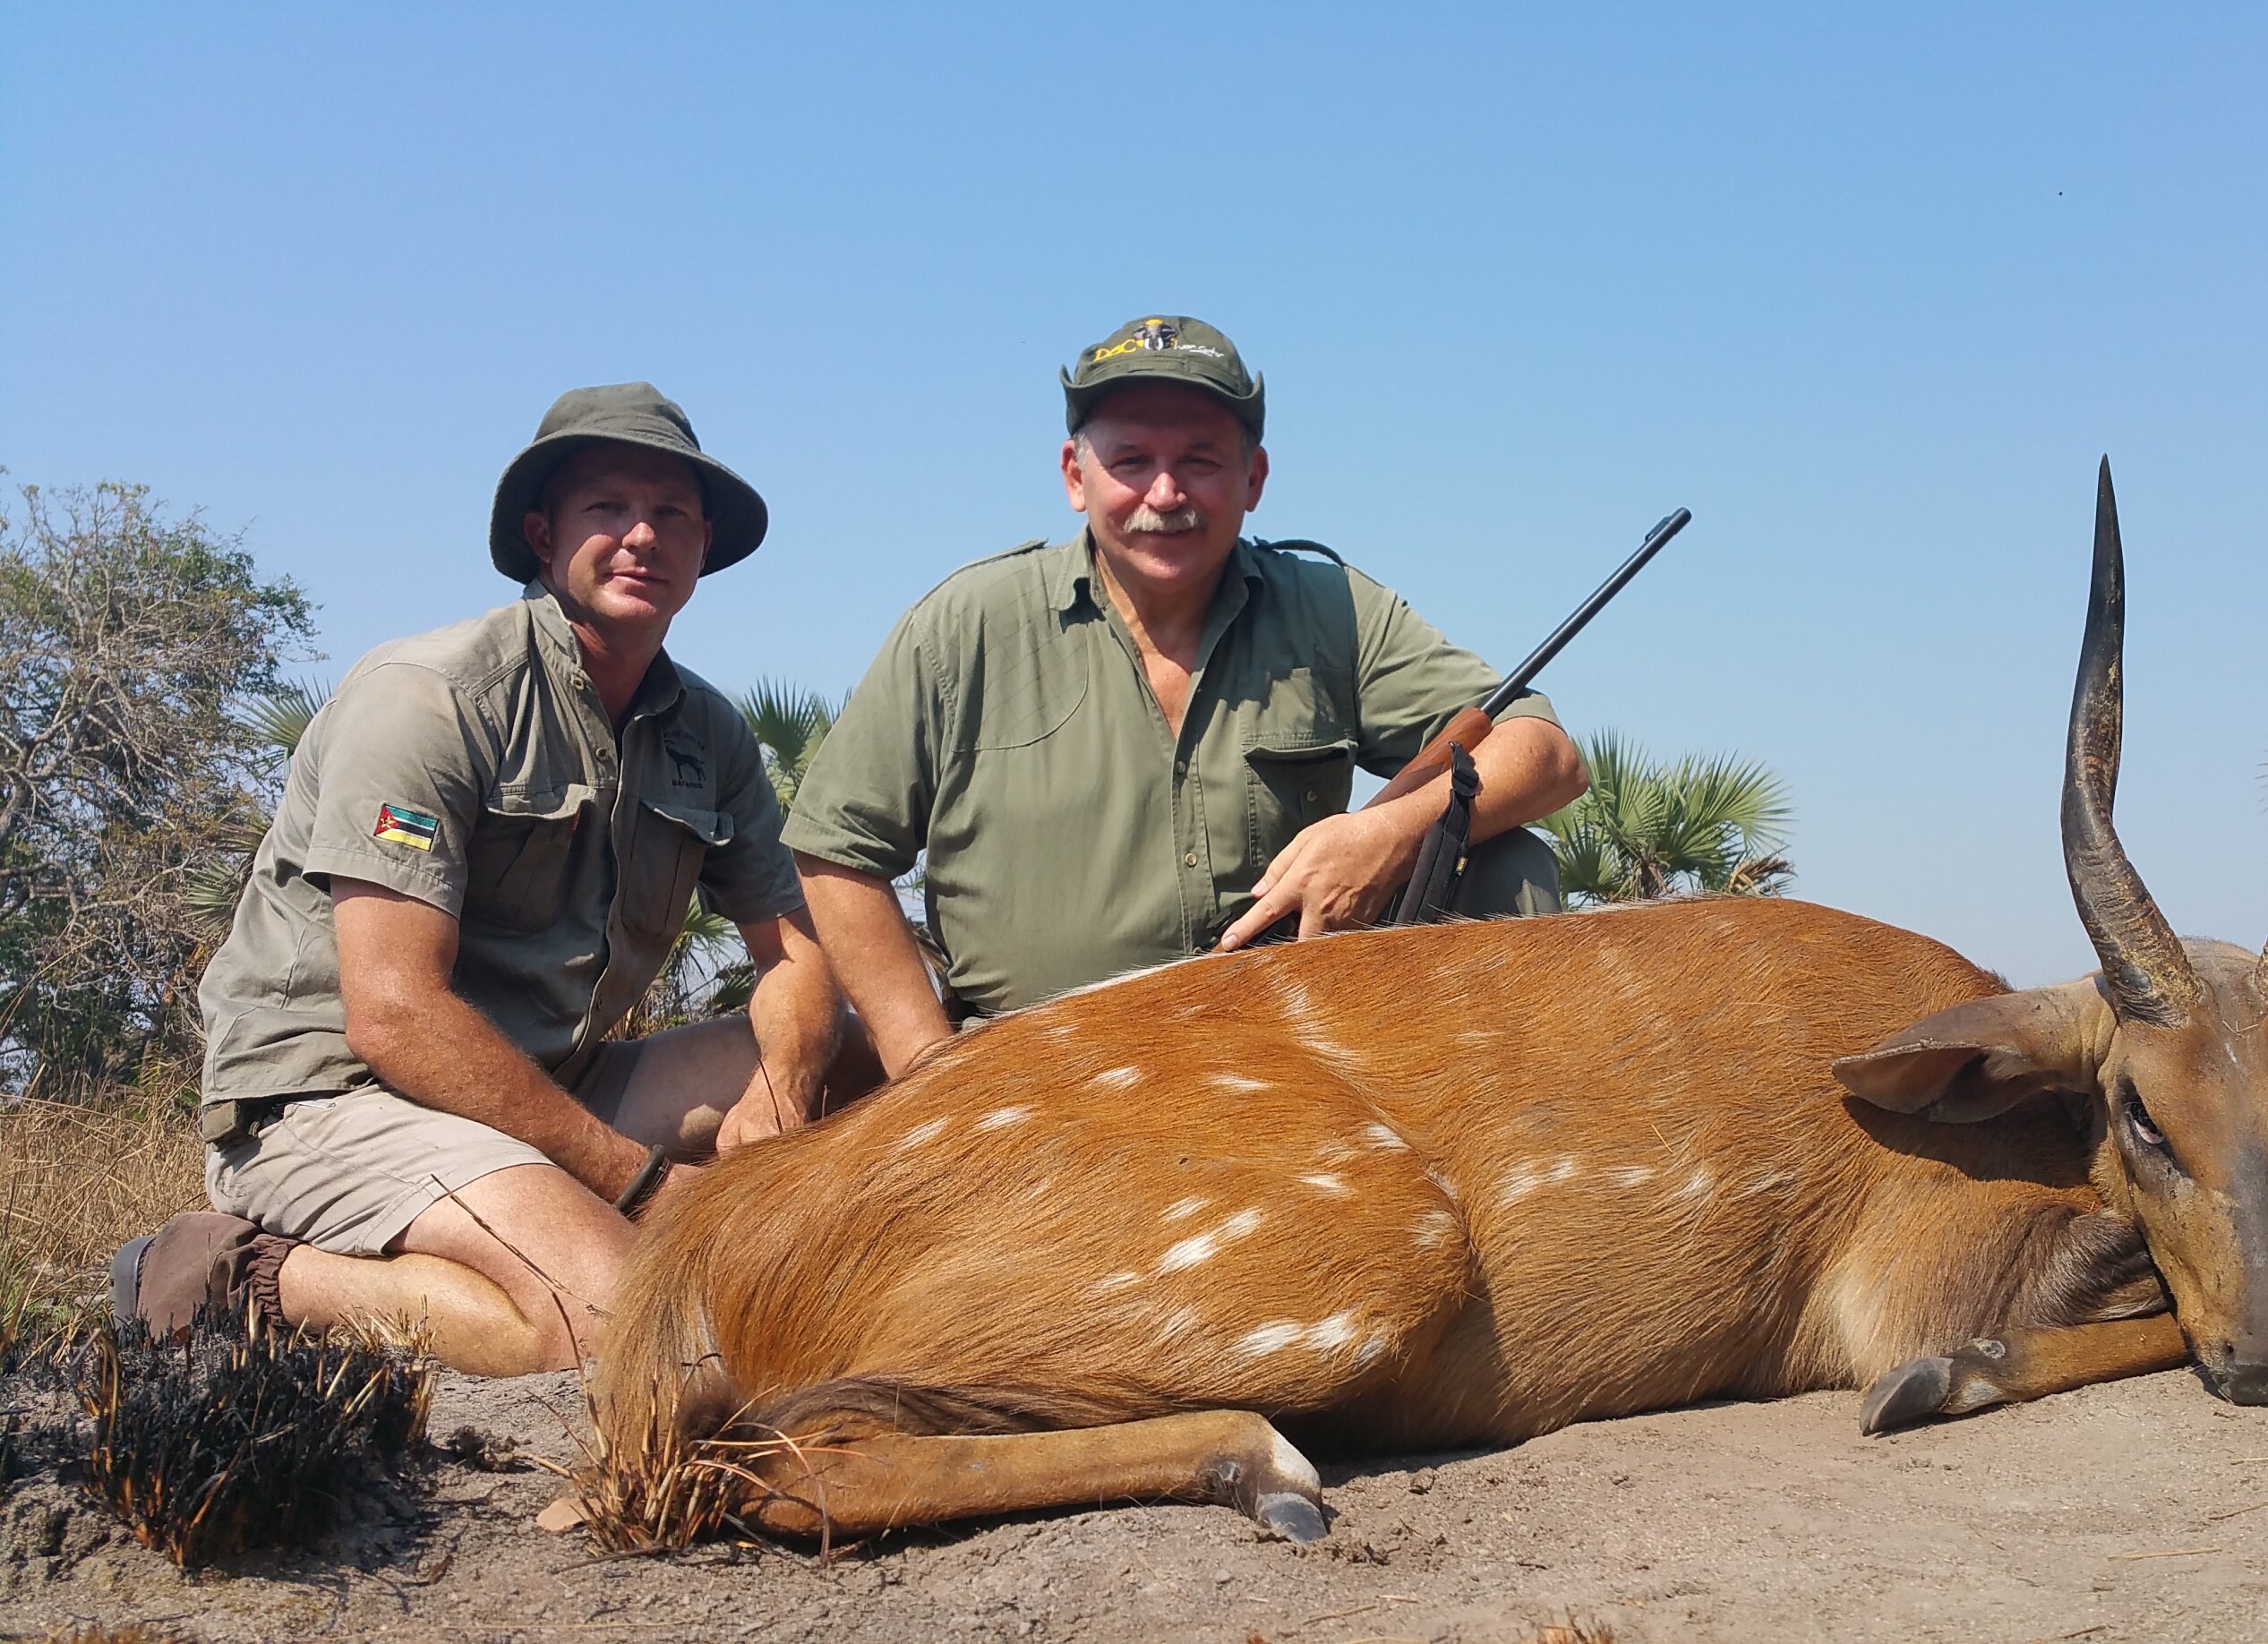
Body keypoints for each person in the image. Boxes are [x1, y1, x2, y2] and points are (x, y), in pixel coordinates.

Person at [110, 383, 842, 1375]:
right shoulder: (431, 698)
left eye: (672, 514)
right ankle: (249, 1275)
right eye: (607, 509)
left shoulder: (708, 734)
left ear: (704, 546)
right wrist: (640, 1186)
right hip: (336, 1101)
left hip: (548, 1082)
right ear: (543, 539)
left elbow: (795, 957)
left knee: (867, 1039)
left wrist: (784, 1099)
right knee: (625, 1326)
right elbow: (395, 1015)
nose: (642, 536)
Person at [784, 314, 1589, 1077]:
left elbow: (1544, 752)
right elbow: (836, 848)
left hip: (1294, 1050)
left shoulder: (1331, 609)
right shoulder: (965, 624)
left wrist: (1387, 831)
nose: (1165, 494)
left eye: (1200, 461)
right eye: (1131, 461)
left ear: (1253, 479)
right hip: (1032, 1079)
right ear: (1075, 476)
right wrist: (930, 1075)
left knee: (1506, 862)